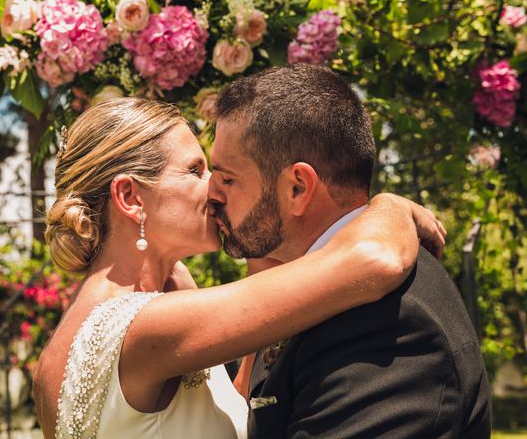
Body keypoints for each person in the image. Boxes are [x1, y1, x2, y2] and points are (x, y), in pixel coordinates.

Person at [32, 98, 446, 439]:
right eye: (195, 170)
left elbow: (222, 410)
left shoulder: (157, 293)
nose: (214, 186)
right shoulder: (140, 329)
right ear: (130, 197)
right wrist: (389, 204)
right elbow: (377, 259)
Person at [208, 63, 492, 438]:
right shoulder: (314, 285)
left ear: (298, 188)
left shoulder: (387, 324)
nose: (211, 194)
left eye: (227, 178)